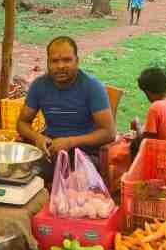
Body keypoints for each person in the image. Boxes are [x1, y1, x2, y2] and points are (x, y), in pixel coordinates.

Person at [17, 36, 116, 180]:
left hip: (84, 155)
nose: (61, 66)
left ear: (77, 61)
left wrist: (70, 142)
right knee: (19, 173)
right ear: (48, 63)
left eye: (67, 60)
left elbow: (109, 133)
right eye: (54, 61)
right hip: (50, 150)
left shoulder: (92, 87)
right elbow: (22, 123)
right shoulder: (39, 85)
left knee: (75, 181)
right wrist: (37, 137)